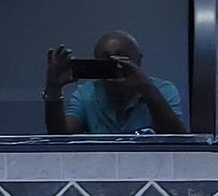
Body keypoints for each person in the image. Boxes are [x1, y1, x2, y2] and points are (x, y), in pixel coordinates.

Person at [43, 31, 185, 135]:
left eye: (121, 59)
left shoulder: (163, 90)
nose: (114, 67)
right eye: (105, 62)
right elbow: (60, 136)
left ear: (138, 60)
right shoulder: (85, 94)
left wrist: (146, 90)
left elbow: (177, 138)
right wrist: (53, 89)